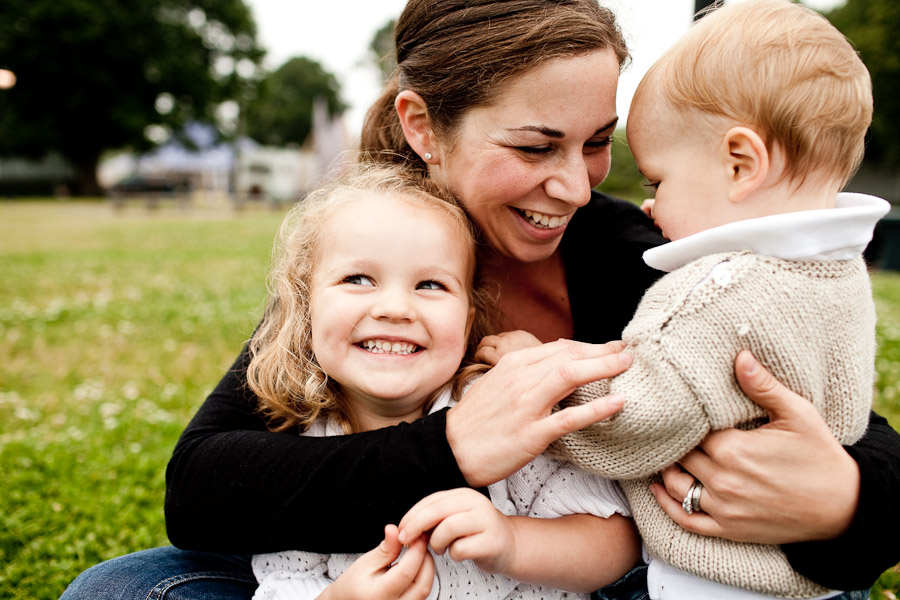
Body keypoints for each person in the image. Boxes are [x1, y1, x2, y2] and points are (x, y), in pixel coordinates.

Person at [60, 1, 900, 599]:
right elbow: (205, 488)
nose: (573, 185)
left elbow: (850, 425)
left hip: (620, 573)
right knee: (122, 589)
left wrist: (845, 504)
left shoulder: (635, 254)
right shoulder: (375, 261)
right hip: (404, 571)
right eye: (536, 145)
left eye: (598, 144)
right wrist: (455, 445)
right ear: (424, 126)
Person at [476, 1, 889, 598]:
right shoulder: (835, 270)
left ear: (741, 164)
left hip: (714, 580)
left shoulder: (718, 292)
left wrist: (536, 374)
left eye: (658, 182)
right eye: (537, 146)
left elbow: (638, 422)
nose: (649, 207)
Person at [246, 162, 640, 600]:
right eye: (358, 279)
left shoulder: (499, 405)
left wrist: (513, 541)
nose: (395, 308)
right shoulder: (298, 446)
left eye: (430, 285)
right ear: (305, 306)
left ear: (468, 318)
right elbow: (283, 580)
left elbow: (616, 541)